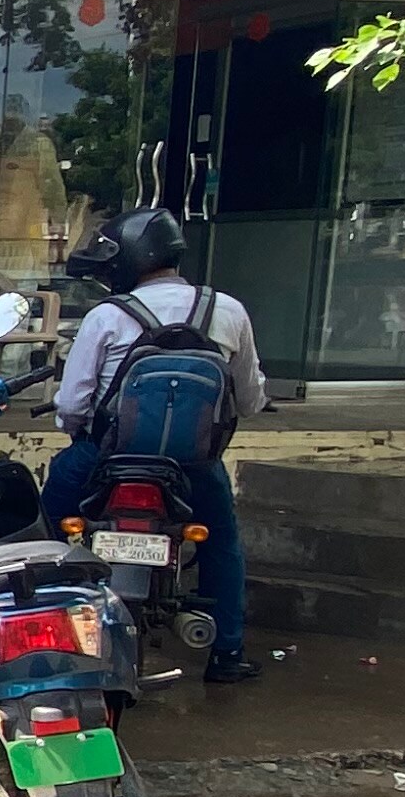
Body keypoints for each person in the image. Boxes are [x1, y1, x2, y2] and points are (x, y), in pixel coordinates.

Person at [41, 207, 267, 685]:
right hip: (192, 467)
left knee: (49, 521)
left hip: (106, 459)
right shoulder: (228, 310)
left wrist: (75, 430)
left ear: (128, 260)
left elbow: (73, 404)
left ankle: (46, 632)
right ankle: (227, 652)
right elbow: (249, 399)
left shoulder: (107, 315)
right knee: (221, 543)